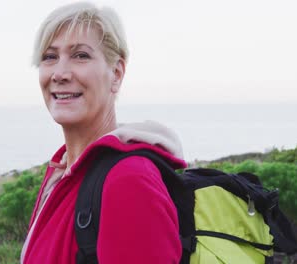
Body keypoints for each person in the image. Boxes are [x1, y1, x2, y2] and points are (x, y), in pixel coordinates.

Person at [21, 2, 186, 263]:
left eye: (81, 55)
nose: (60, 73)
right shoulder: (65, 172)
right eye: (50, 57)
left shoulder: (129, 181)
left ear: (116, 74)